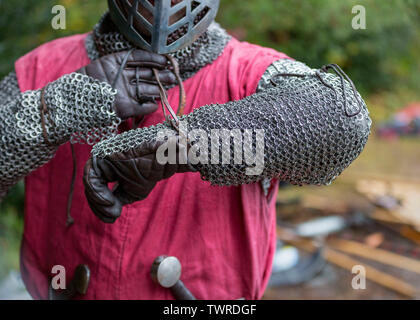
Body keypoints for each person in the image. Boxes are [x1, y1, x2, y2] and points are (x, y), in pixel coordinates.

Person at [0, 0, 371, 299]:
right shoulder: (41, 68)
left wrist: (181, 146)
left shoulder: (249, 74)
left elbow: (342, 120)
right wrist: (55, 108)